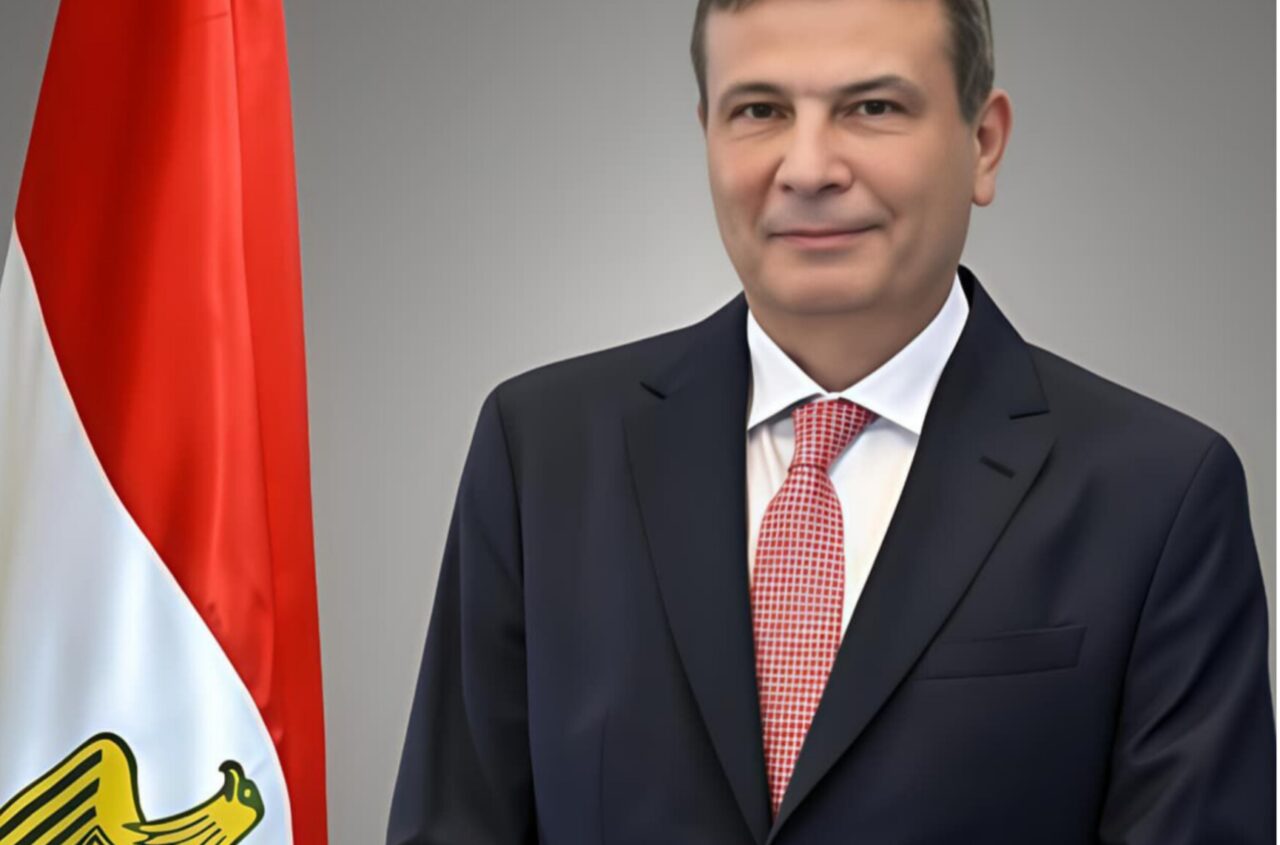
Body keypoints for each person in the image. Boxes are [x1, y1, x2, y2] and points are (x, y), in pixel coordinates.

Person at [387, 0, 1275, 841]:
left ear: (983, 143)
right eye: (760, 110)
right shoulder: (540, 452)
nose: (808, 168)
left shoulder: (1158, 496)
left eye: (872, 107)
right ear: (707, 134)